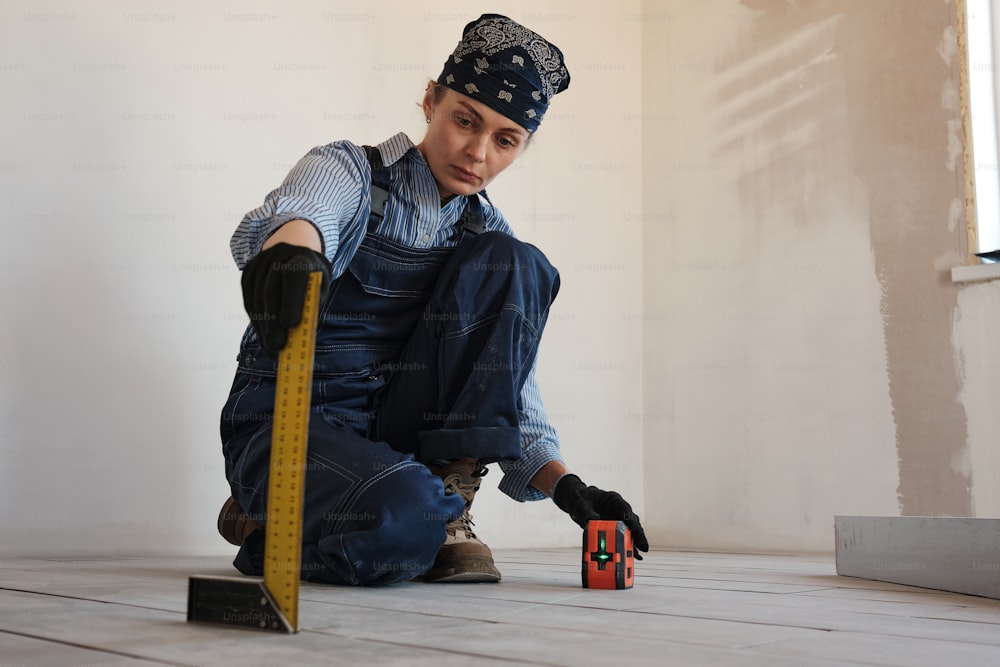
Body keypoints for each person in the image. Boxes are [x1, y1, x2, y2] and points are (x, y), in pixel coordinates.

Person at [217, 13, 648, 585]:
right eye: (465, 121)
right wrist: (294, 252)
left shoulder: (486, 236)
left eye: (505, 140)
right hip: (290, 425)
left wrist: (566, 486)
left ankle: (444, 504)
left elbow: (508, 384)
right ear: (430, 101)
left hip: (389, 442)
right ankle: (271, 514)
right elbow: (306, 207)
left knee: (516, 261)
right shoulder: (353, 170)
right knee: (408, 524)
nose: (477, 152)